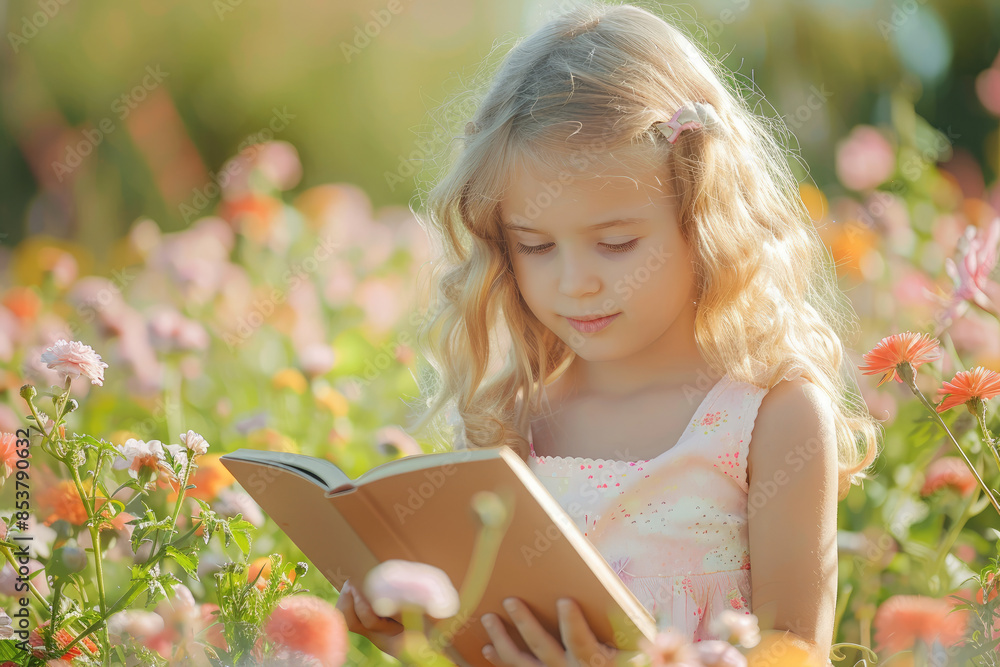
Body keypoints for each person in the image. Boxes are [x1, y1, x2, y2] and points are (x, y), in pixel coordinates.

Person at [337, 2, 882, 665]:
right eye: (534, 245)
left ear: (702, 212)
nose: (576, 282)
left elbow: (796, 651)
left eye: (617, 243)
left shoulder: (772, 416)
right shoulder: (514, 416)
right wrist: (431, 638)